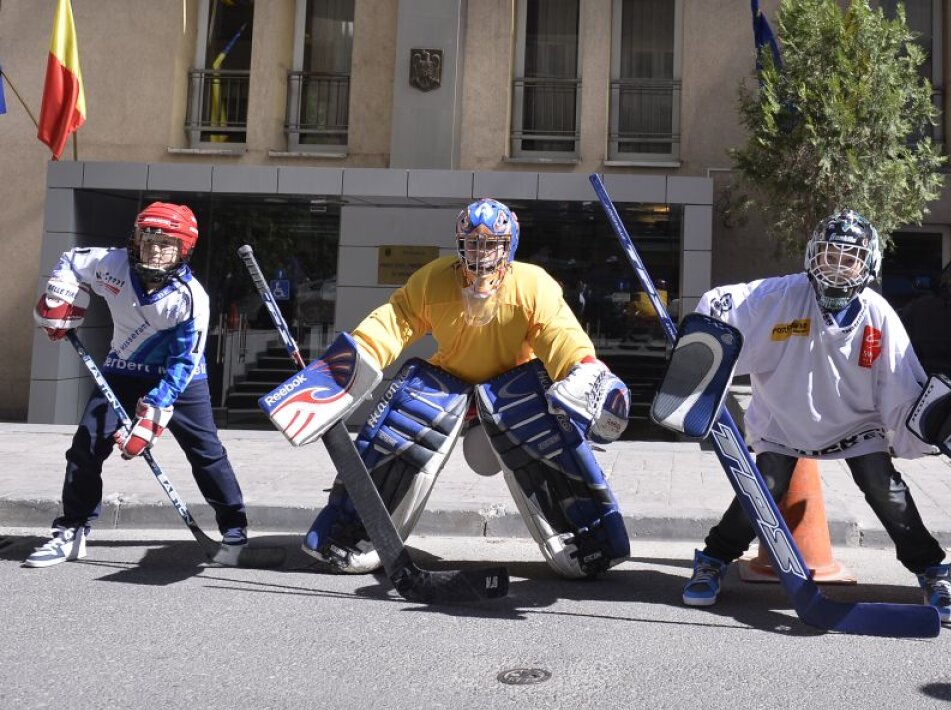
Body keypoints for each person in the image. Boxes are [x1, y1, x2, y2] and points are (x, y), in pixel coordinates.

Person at [288, 198, 632, 579]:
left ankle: (591, 540)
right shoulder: (434, 279)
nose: (481, 253)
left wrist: (582, 368)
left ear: (509, 244)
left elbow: (559, 334)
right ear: (459, 244)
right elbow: (395, 319)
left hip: (512, 391)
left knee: (551, 440)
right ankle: (350, 534)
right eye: (473, 244)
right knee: (394, 432)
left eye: (491, 244)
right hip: (448, 385)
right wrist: (351, 361)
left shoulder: (532, 285)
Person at [680, 209, 951, 624]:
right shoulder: (778, 297)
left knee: (887, 492)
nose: (836, 266)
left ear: (867, 265)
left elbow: (902, 383)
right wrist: (699, 337)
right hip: (783, 421)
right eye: (829, 254)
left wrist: (922, 434)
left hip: (856, 425)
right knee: (762, 490)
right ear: (814, 253)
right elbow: (722, 304)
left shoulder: (878, 314)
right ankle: (712, 560)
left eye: (848, 258)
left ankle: (933, 574)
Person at [25, 202, 251, 567]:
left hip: (180, 378)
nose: (156, 250)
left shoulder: (191, 297)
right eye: (148, 239)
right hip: (123, 369)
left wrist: (151, 419)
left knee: (206, 453)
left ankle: (235, 531)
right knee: (87, 446)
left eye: (168, 244)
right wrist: (60, 300)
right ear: (136, 240)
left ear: (185, 249)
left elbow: (183, 361)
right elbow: (70, 262)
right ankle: (73, 530)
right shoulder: (111, 264)